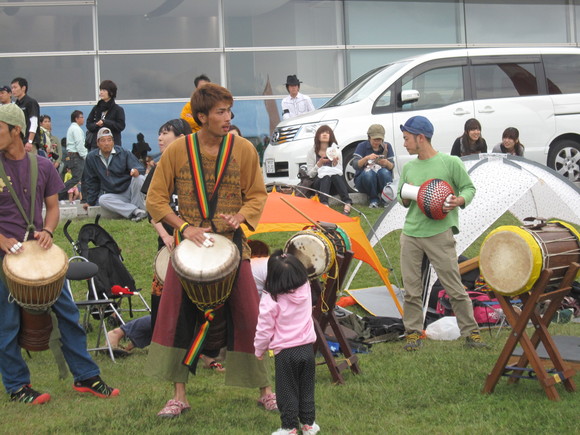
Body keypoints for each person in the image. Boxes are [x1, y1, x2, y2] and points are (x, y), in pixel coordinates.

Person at [146, 83, 276, 418]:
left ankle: (266, 390)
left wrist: (242, 216)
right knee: (174, 317)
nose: (228, 117)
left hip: (232, 246)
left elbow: (257, 194)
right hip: (189, 249)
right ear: (201, 117)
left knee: (250, 314)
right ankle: (179, 396)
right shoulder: (177, 151)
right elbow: (155, 199)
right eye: (220, 111)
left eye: (229, 111)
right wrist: (183, 227)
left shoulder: (244, 149)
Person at [0, 103, 119, 404]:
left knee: (67, 313)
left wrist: (49, 231)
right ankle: (17, 387)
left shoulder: (41, 165)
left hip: (40, 253)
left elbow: (53, 208)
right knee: (7, 322)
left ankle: (86, 376)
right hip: (5, 255)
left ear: (15, 130)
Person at [397, 115, 487, 351]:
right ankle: (412, 334)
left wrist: (459, 200)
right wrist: (410, 195)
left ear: (421, 138)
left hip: (439, 233)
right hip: (411, 234)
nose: (404, 143)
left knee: (453, 286)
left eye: (407, 138)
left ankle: (472, 335)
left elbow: (469, 187)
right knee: (412, 289)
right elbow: (401, 196)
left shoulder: (450, 163)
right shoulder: (409, 167)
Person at [254, 250, 319, 435]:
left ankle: (289, 427)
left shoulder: (270, 299)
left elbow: (264, 329)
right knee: (307, 388)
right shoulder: (306, 288)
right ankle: (308, 425)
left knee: (286, 392)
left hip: (286, 354)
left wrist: (259, 350)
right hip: (307, 350)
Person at [82, 127, 146, 221]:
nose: (106, 143)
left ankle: (137, 212)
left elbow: (139, 167)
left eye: (109, 140)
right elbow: (91, 181)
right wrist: (90, 202)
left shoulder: (123, 152)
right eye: (103, 140)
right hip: (114, 194)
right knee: (103, 199)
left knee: (139, 178)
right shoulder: (92, 157)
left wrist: (136, 171)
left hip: (129, 190)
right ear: (98, 143)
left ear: (113, 142)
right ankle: (137, 212)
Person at [306, 125, 352, 215]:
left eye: (327, 133)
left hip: (334, 184)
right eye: (322, 132)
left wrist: (334, 164)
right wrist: (319, 164)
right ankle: (324, 204)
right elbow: (310, 174)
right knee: (325, 175)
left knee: (334, 174)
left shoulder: (336, 151)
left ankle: (347, 202)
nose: (325, 134)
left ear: (331, 136)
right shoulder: (312, 152)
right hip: (319, 184)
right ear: (317, 135)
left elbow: (340, 171)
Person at [351, 124, 395, 208]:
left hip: (381, 178)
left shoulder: (387, 146)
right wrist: (366, 158)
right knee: (368, 173)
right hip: (364, 180)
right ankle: (373, 199)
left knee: (384, 172)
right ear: (369, 137)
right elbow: (355, 165)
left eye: (379, 139)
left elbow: (392, 166)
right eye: (375, 139)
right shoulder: (362, 146)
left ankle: (385, 199)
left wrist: (386, 163)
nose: (377, 142)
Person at [86, 80, 125, 150]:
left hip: (113, 146)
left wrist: (105, 122)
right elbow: (88, 124)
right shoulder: (96, 108)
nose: (101, 92)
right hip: (96, 146)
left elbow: (121, 126)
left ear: (111, 92)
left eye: (104, 90)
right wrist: (96, 124)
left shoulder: (118, 109)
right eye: (100, 90)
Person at [60, 110, 86, 200]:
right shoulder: (76, 129)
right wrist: (85, 156)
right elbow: (79, 144)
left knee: (82, 178)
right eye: (82, 117)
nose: (83, 119)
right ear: (76, 118)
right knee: (75, 179)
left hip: (73, 156)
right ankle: (56, 192)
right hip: (77, 156)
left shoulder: (73, 128)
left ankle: (85, 197)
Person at [11, 78, 40, 154]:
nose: (13, 90)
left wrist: (30, 141)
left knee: (30, 164)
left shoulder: (30, 102)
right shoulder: (16, 104)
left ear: (23, 88)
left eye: (15, 87)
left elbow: (34, 123)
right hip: (19, 142)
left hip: (28, 143)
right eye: (12, 88)